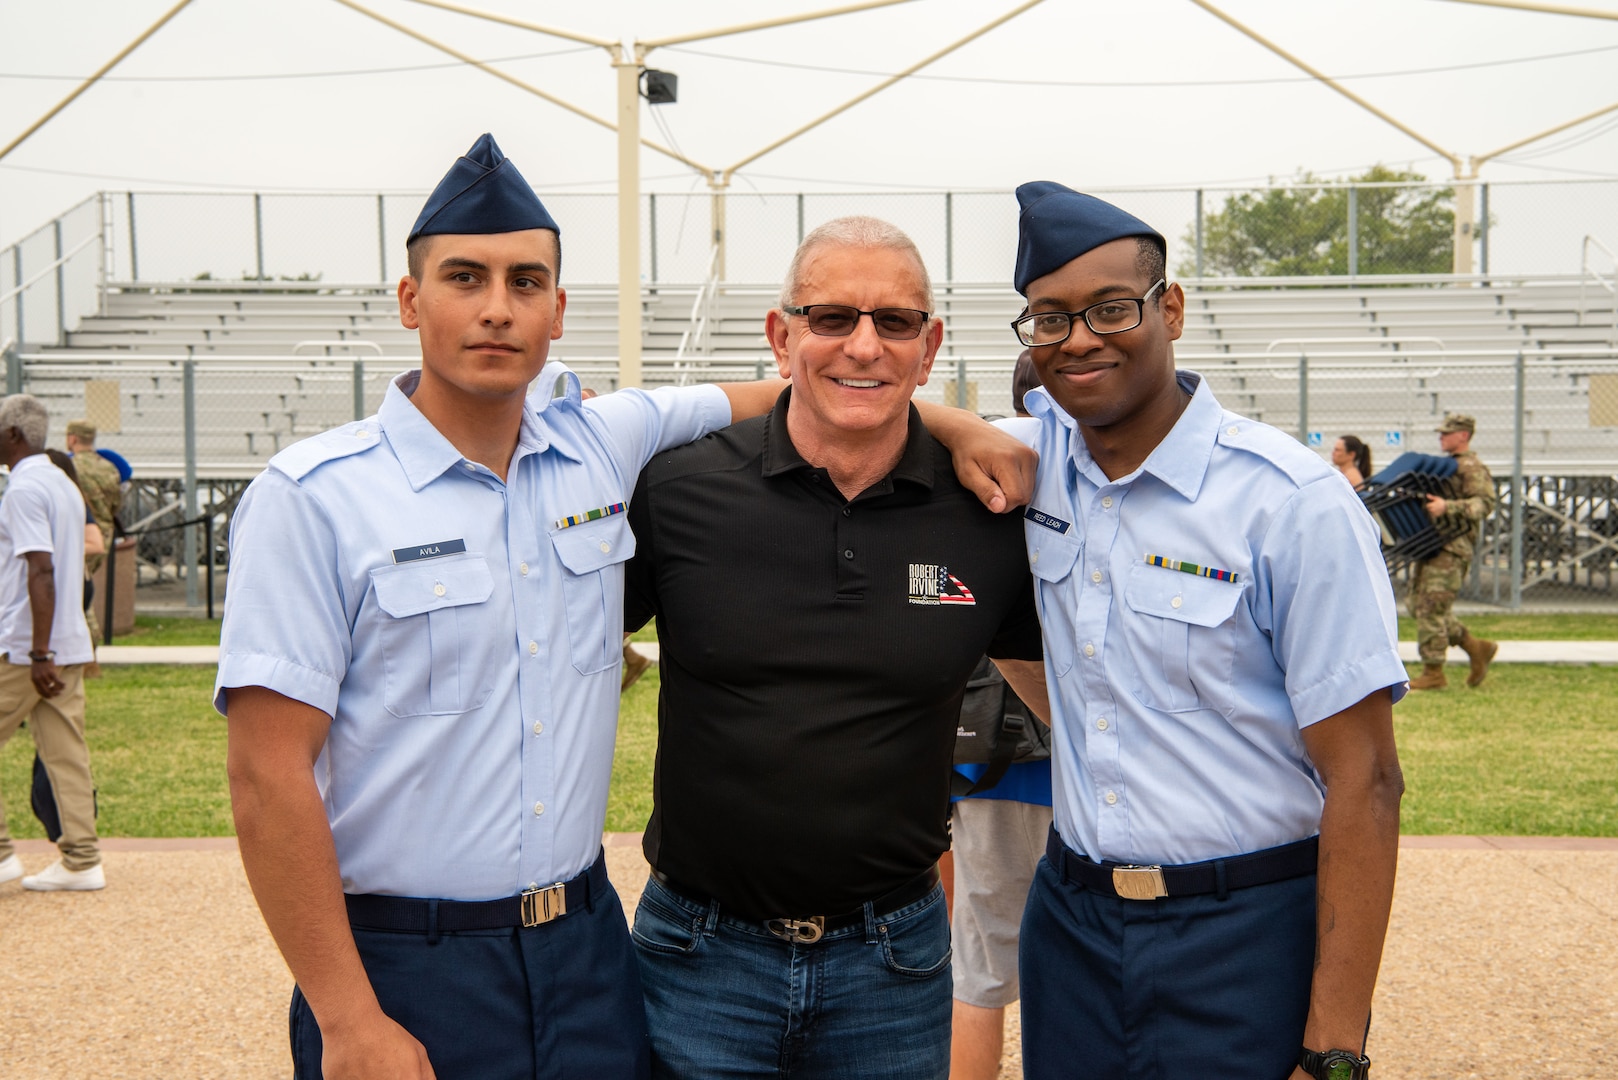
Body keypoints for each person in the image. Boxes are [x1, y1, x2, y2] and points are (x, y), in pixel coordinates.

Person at [217, 138, 1031, 1080]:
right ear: (410, 301)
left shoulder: (603, 447)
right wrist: (348, 1019)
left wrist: (957, 419)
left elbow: (831, 387)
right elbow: (265, 778)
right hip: (412, 951)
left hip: (586, 950)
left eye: (526, 282)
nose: (495, 307)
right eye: (464, 278)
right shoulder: (314, 495)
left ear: (558, 311)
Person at [1001, 182, 1408, 1080]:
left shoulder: (1289, 503)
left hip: (1244, 930)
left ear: (1170, 307)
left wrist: (1335, 1046)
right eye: (1050, 319)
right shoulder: (1033, 465)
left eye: (1111, 308)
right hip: (1071, 925)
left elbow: (1368, 779)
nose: (1080, 339)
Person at [622, 216, 1045, 1080]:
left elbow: (1070, 700)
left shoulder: (989, 517)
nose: (864, 345)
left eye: (894, 322)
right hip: (697, 954)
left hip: (894, 961)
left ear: (928, 349)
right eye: (832, 317)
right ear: (783, 336)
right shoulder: (676, 491)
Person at [946, 350, 1052, 1080]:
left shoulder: (974, 468)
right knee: (1085, 964)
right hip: (1092, 761)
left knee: (976, 967)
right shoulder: (1109, 462)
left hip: (987, 754)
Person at [0, 394, 102, 892]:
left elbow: (40, 569)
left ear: (14, 435)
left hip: (26, 648)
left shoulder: (22, 489)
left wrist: (39, 654)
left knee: (65, 751)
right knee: (66, 752)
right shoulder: (61, 481)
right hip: (68, 639)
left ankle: (1, 856)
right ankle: (82, 859)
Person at [1407, 413, 1497, 690]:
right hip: (1432, 543)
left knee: (1432, 608)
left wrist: (1449, 507)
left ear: (1464, 435)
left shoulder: (1472, 467)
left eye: (1448, 433)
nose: (1441, 437)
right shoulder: (1445, 466)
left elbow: (1484, 504)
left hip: (1452, 547)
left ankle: (1434, 672)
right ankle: (1474, 646)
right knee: (1420, 605)